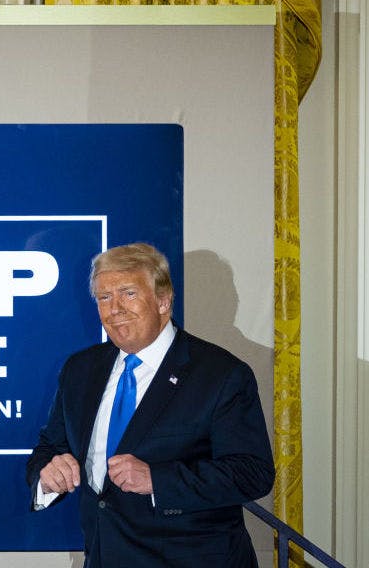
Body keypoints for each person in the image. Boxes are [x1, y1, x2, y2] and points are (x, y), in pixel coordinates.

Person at [26, 243, 274, 567]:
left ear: (163, 301)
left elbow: (252, 473)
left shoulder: (221, 374)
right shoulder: (80, 370)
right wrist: (48, 475)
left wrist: (157, 480)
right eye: (104, 297)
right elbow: (50, 447)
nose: (115, 308)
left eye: (128, 293)